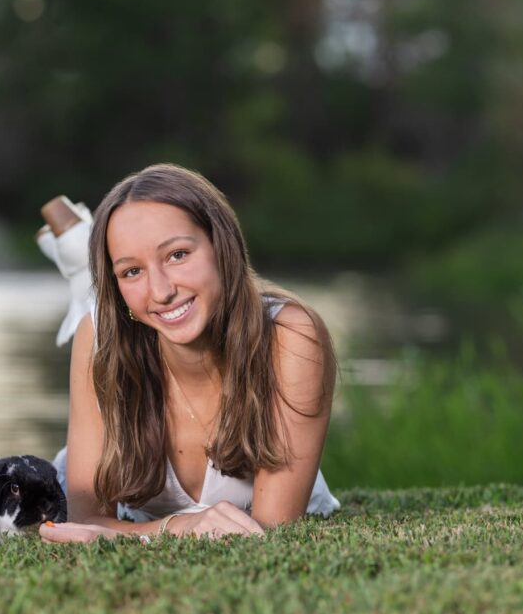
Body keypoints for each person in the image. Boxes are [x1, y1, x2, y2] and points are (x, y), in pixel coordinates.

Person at [39, 163, 340, 544]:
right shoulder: (99, 338)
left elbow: (269, 531)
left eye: (178, 254)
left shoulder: (291, 337)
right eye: (131, 272)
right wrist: (179, 526)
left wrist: (125, 536)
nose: (161, 290)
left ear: (221, 246)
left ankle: (84, 259)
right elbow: (87, 520)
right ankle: (86, 267)